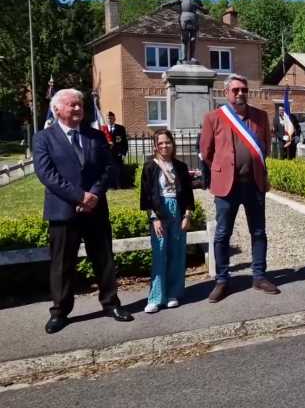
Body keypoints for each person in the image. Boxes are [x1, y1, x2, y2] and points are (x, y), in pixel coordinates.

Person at [33, 88, 133, 334]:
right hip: (63, 211)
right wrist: (78, 196)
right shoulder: (43, 138)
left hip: (96, 209)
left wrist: (94, 195)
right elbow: (46, 174)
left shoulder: (95, 136)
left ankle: (110, 303)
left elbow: (108, 168)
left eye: (80, 104)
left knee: (104, 259)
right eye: (72, 105)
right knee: (62, 265)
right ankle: (60, 312)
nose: (78, 108)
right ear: (57, 110)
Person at [200, 73, 279, 302]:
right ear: (226, 93)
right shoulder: (213, 118)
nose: (240, 93)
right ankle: (222, 280)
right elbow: (206, 153)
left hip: (253, 183)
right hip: (227, 187)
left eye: (243, 89)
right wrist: (223, 168)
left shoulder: (261, 116)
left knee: (258, 232)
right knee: (223, 233)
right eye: (235, 90)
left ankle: (259, 276)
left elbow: (264, 148)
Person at [140, 129, 195, 313]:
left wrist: (187, 216)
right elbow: (146, 196)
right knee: (160, 253)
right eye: (161, 143)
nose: (164, 146)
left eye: (167, 142)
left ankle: (173, 293)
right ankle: (156, 297)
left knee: (177, 254)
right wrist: (154, 218)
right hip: (159, 213)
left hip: (178, 212)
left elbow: (188, 194)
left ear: (173, 144)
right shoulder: (150, 167)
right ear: (156, 146)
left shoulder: (180, 167)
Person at [106, 112, 128, 188]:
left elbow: (124, 142)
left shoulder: (120, 128)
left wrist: (123, 153)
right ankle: (109, 186)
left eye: (111, 118)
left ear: (114, 119)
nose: (110, 120)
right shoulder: (103, 129)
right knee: (108, 170)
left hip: (117, 153)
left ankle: (119, 185)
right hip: (107, 154)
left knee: (118, 170)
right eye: (108, 118)